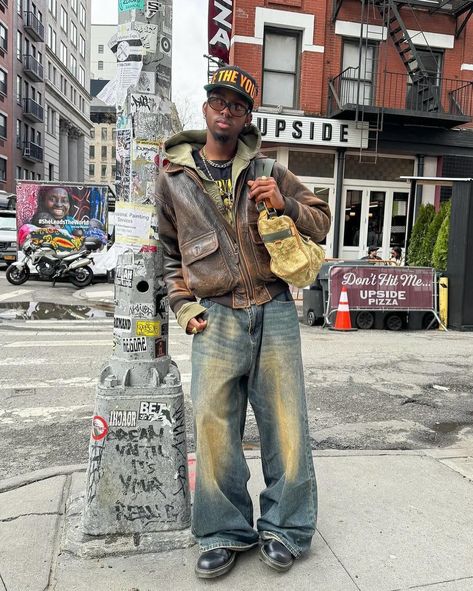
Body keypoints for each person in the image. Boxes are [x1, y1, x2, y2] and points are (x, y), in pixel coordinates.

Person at [156, 65, 331, 579]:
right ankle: (223, 531)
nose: (226, 110)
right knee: (213, 427)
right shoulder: (172, 177)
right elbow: (168, 255)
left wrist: (288, 203)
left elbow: (321, 221)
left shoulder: (269, 170)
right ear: (206, 108)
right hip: (215, 317)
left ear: (247, 116)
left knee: (287, 424)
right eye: (219, 101)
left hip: (274, 308)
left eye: (238, 104)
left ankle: (286, 528)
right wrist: (184, 308)